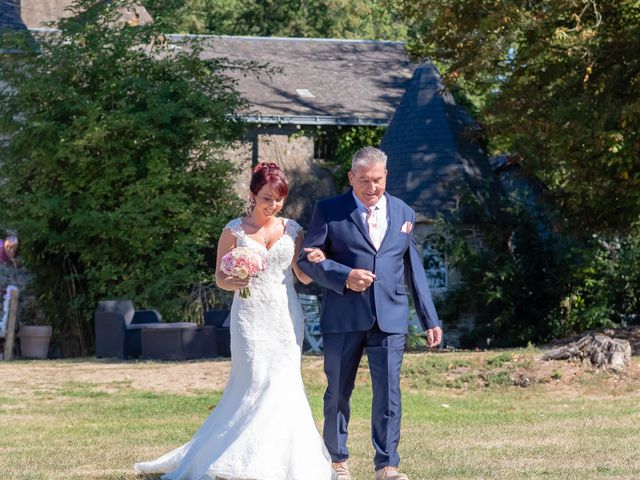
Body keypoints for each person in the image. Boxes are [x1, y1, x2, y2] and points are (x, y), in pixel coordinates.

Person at [134, 162, 334, 480]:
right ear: (253, 195)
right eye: (267, 198)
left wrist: (319, 259)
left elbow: (300, 276)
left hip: (284, 315)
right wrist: (235, 281)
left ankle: (282, 460)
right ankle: (236, 456)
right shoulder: (234, 231)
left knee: (283, 382)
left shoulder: (292, 230)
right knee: (254, 380)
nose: (273, 205)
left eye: (279, 199)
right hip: (249, 315)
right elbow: (219, 277)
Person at [297, 147, 443, 480]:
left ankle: (387, 465)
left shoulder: (404, 211)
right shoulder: (329, 210)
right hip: (343, 317)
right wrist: (344, 275)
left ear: (386, 177)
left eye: (377, 180)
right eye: (363, 180)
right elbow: (306, 261)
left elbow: (413, 267)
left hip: (390, 318)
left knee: (389, 393)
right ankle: (336, 461)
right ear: (351, 178)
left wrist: (429, 319)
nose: (371, 187)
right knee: (337, 391)